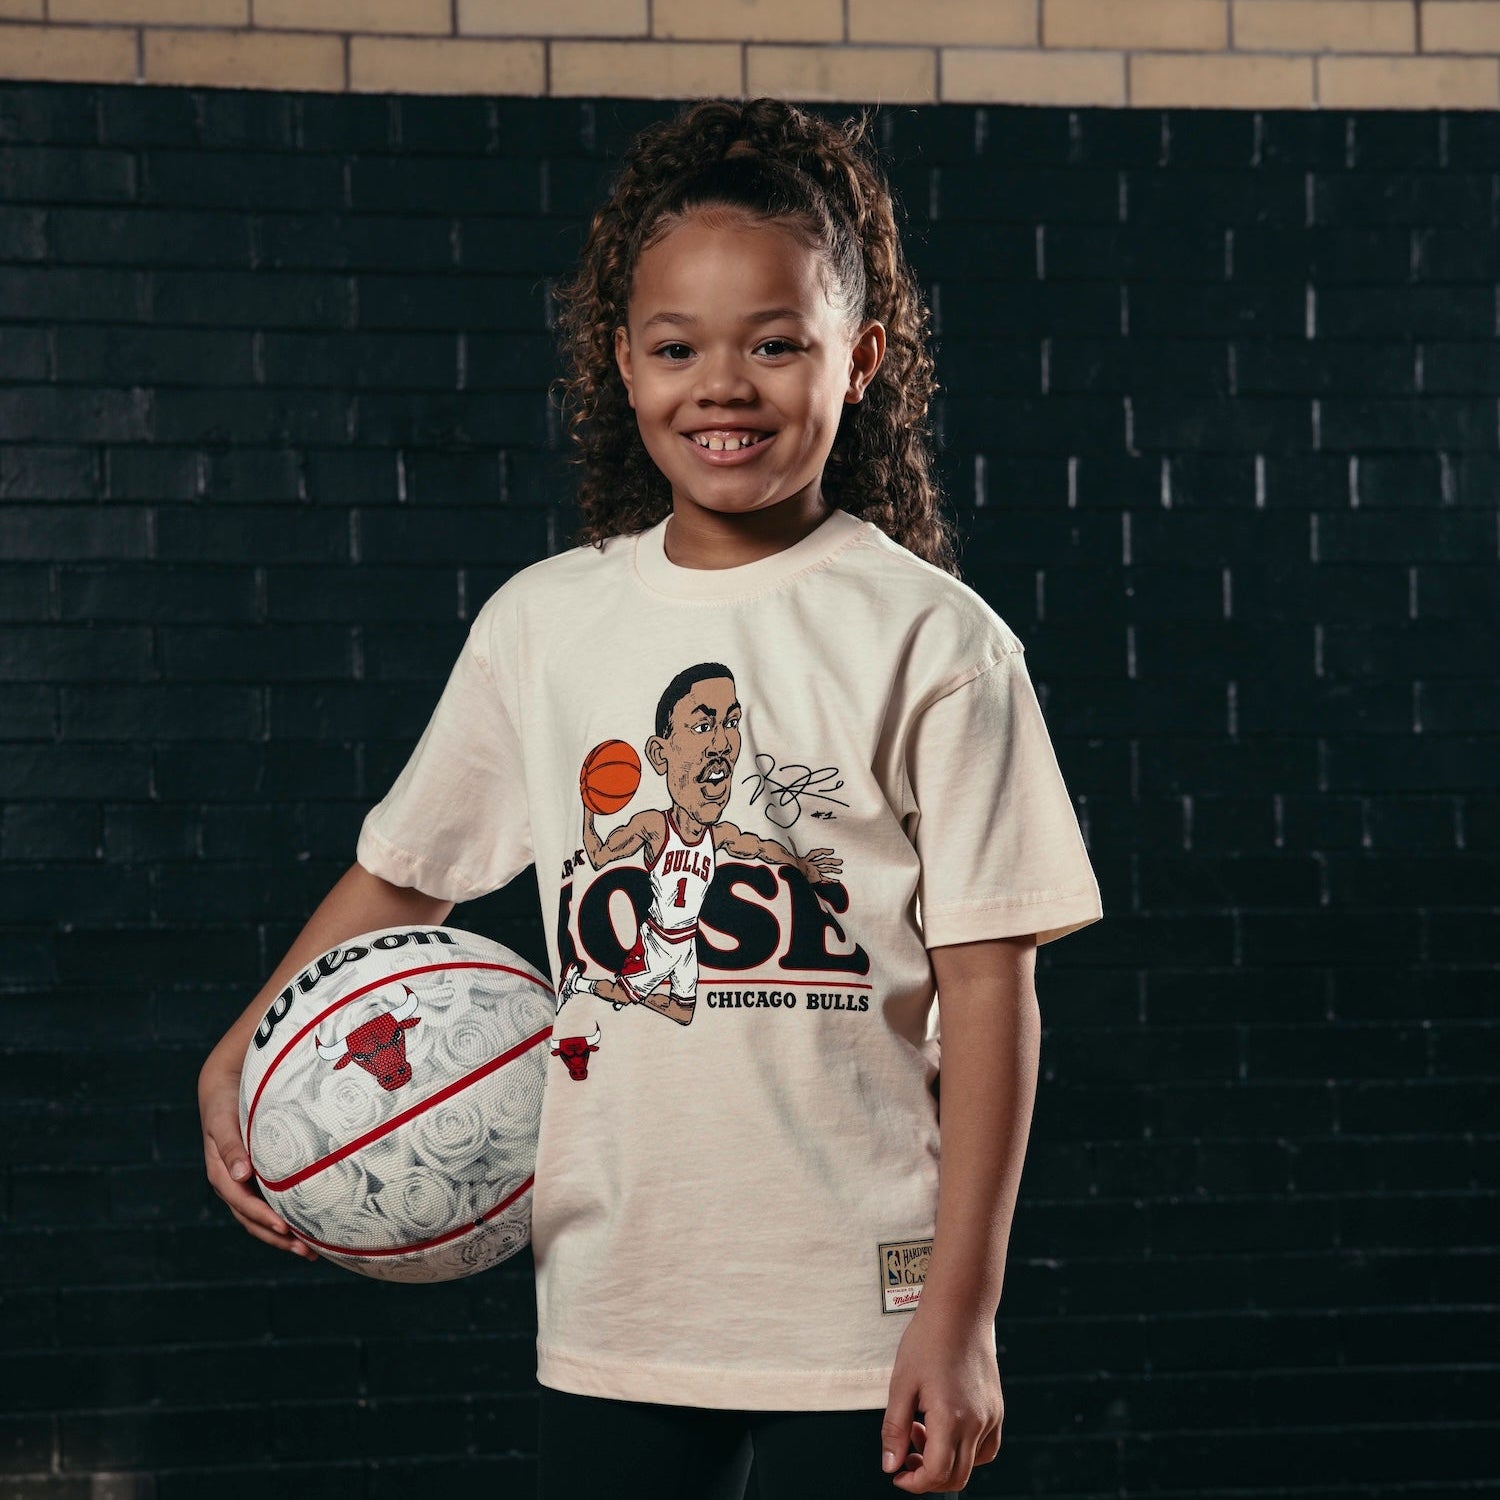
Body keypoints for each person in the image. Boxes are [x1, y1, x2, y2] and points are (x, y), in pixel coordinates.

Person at [198, 96, 1103, 1499]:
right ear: (623, 367)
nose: (721, 385)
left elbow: (993, 989)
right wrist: (249, 1050)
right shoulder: (546, 624)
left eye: (776, 344)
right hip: (619, 1291)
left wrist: (964, 1311)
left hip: (858, 1301)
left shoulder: (936, 639)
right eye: (678, 347)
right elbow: (404, 875)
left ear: (859, 363)